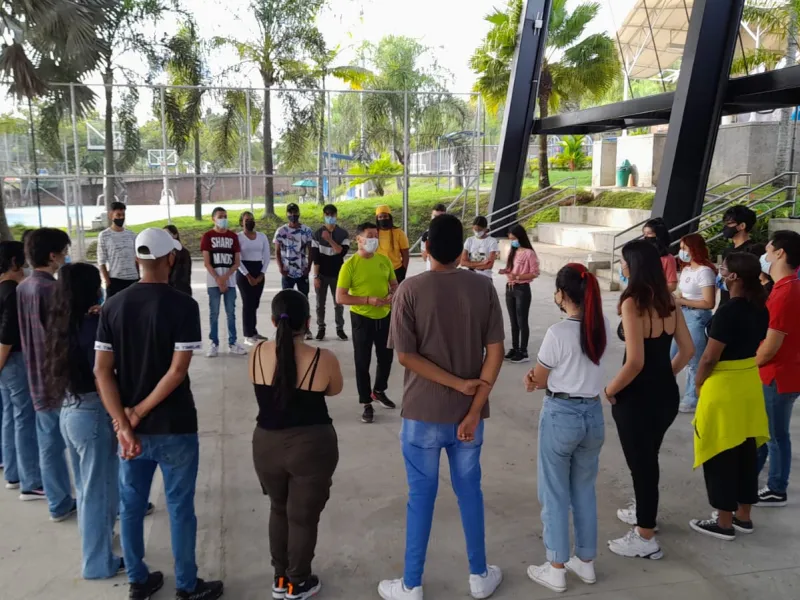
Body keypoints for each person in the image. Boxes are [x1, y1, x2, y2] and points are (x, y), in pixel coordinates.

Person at [94, 228, 223, 600]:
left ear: (136, 259)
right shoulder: (183, 305)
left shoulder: (113, 305)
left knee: (132, 506)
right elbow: (177, 371)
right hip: (174, 425)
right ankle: (187, 585)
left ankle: (139, 580)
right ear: (171, 259)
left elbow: (102, 370)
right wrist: (137, 413)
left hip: (131, 433)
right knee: (180, 508)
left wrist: (124, 424)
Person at [380, 214, 504, 600]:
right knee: (470, 493)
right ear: (461, 250)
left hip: (422, 414)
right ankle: (479, 575)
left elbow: (405, 356)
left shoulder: (409, 290)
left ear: (427, 248)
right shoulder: (483, 288)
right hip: (470, 416)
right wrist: (473, 406)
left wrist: (454, 383)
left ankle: (411, 583)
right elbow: (495, 353)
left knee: (420, 497)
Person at [250, 290, 342, 600]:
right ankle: (298, 582)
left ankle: (280, 578)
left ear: (273, 321)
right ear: (308, 322)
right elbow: (334, 389)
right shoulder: (322, 358)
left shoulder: (257, 352)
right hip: (311, 446)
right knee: (302, 517)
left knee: (278, 508)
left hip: (265, 444)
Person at [605, 239, 694, 560]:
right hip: (665, 393)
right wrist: (665, 375)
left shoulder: (633, 304)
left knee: (641, 464)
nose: (621, 265)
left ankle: (645, 534)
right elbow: (687, 350)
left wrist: (610, 389)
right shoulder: (669, 301)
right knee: (647, 459)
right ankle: (645, 510)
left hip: (637, 397)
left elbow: (635, 362)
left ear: (634, 266)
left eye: (624, 261)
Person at [524, 264, 609, 593]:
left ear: (561, 294)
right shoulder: (600, 326)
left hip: (562, 415)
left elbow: (541, 377)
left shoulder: (558, 333)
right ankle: (585, 561)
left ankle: (557, 566)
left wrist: (531, 379)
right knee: (584, 489)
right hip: (593, 415)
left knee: (555, 492)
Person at [44, 263, 123, 579]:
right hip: (92, 414)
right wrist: (121, 419)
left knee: (89, 487)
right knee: (97, 491)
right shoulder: (91, 326)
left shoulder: (62, 322)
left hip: (71, 409)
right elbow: (103, 373)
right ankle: (98, 563)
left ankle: (96, 542)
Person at [689, 252, 769, 540]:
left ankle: (723, 521)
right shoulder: (759, 307)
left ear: (733, 276)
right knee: (746, 450)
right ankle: (743, 515)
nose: (719, 272)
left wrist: (698, 382)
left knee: (721, 450)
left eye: (722, 269)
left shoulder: (729, 311)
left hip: (724, 385)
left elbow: (710, 357)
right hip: (748, 382)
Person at [18, 228, 76, 522]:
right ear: (53, 256)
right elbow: (64, 336)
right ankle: (94, 502)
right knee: (80, 447)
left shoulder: (24, 287)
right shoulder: (53, 290)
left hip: (36, 376)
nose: (65, 256)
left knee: (49, 444)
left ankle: (58, 502)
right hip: (60, 379)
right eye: (64, 252)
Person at [336, 223, 398, 424]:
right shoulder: (350, 265)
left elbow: (394, 284)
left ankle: (379, 390)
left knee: (386, 357)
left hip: (384, 315)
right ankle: (366, 402)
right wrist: (367, 300)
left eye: (376, 236)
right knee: (362, 361)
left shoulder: (384, 260)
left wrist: (392, 294)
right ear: (359, 239)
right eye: (370, 236)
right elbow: (341, 297)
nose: (374, 240)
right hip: (362, 318)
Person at [755, 230, 800, 506]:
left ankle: (776, 488)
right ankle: (755, 479)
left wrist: (748, 366)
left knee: (775, 434)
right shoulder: (786, 287)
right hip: (780, 372)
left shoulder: (786, 292)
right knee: (767, 432)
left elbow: (771, 346)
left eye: (768, 251)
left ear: (780, 253)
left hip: (778, 374)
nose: (765, 256)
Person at [0, 241, 43, 500]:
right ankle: (31, 481)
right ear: (15, 262)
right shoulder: (12, 292)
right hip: (13, 360)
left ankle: (13, 473)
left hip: (6, 363)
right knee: (24, 419)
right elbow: (7, 334)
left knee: (10, 416)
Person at [673, 233, 716, 413]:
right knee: (672, 356)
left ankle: (693, 396)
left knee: (694, 360)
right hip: (681, 314)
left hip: (697, 316)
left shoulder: (704, 271)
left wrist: (682, 301)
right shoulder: (687, 270)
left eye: (684, 248)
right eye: (680, 248)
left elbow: (709, 302)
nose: (681, 252)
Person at [200, 207, 246, 357]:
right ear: (213, 218)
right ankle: (214, 343)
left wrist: (225, 278)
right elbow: (207, 263)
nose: (223, 219)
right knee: (214, 313)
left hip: (230, 282)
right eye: (220, 216)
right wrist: (218, 279)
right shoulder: (207, 236)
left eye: (225, 216)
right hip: (213, 283)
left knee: (231, 313)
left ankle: (233, 342)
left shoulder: (233, 237)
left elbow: (236, 262)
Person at [498, 225, 539, 364]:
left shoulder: (529, 253)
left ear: (520, 237)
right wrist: (506, 271)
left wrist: (518, 277)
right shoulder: (513, 251)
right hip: (510, 288)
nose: (513, 242)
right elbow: (511, 268)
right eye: (511, 239)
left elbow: (535, 272)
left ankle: (523, 350)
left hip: (522, 288)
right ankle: (515, 348)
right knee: (513, 321)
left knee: (522, 321)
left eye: (514, 239)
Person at [311, 204, 350, 341]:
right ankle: (321, 328)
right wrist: (315, 276)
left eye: (332, 215)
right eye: (327, 215)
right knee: (320, 304)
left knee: (338, 303)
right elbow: (315, 258)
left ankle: (340, 329)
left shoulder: (343, 234)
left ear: (336, 215)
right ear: (324, 215)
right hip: (321, 274)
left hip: (338, 274)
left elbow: (341, 252)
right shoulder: (317, 234)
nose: (330, 217)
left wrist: (329, 239)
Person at [237, 211, 270, 345]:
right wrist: (248, 275)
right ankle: (247, 334)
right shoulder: (238, 237)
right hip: (244, 272)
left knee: (255, 303)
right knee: (248, 303)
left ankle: (253, 330)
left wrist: (261, 274)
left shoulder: (262, 236)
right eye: (247, 220)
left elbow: (266, 256)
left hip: (258, 270)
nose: (250, 222)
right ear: (242, 222)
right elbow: (237, 259)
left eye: (252, 219)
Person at [97, 201, 139, 298]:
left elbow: (136, 258)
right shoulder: (104, 235)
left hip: (133, 279)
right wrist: (107, 281)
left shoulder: (132, 235)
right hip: (115, 279)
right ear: (111, 215)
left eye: (123, 215)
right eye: (118, 215)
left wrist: (139, 276)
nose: (121, 218)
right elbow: (101, 261)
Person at [719, 205, 759, 307]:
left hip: (743, 305)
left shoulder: (753, 251)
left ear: (742, 226)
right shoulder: (728, 251)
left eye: (729, 223)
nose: (726, 227)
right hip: (725, 303)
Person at [274, 203, 314, 295]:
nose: (293, 215)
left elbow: (311, 250)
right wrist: (281, 268)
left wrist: (308, 267)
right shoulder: (281, 231)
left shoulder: (307, 230)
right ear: (286, 214)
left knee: (303, 298)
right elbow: (277, 251)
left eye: (295, 212)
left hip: (302, 271)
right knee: (287, 298)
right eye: (290, 212)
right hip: (287, 271)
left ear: (299, 213)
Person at [375, 205, 410, 283]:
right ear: (377, 219)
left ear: (389, 217)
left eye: (385, 216)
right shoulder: (374, 233)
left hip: (396, 270)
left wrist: (403, 271)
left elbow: (405, 254)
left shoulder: (399, 232)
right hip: (378, 270)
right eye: (380, 217)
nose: (383, 219)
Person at [642, 218, 677, 293]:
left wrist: (656, 294)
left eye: (649, 233)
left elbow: (672, 285)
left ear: (658, 236)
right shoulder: (641, 254)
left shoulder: (668, 259)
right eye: (644, 234)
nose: (645, 237)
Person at [165, 225, 192, 296]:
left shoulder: (183, 252)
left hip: (180, 288)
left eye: (168, 234)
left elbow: (185, 272)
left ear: (175, 235)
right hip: (168, 288)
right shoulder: (164, 252)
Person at [420, 203, 447, 271]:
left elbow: (458, 258)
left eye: (440, 217)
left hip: (448, 272)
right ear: (431, 216)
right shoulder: (426, 235)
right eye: (435, 216)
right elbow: (424, 257)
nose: (437, 219)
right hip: (431, 271)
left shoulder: (452, 234)